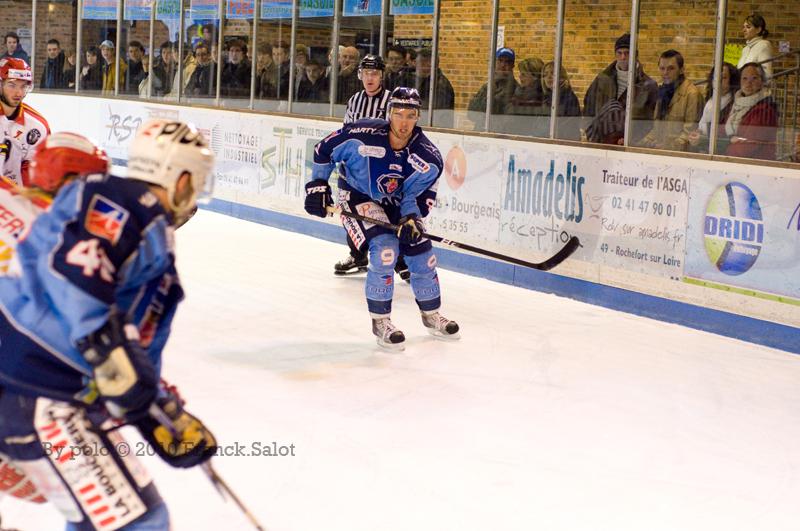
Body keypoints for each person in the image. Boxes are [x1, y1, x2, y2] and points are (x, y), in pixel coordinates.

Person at [0, 120, 217, 530]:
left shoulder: (151, 243)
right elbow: (75, 275)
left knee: (111, 520)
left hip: (61, 397)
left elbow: (132, 356)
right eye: (198, 180)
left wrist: (158, 413)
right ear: (181, 179)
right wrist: (108, 348)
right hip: (42, 394)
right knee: (139, 522)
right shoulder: (123, 203)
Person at [304, 87, 459, 349]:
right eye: (398, 114)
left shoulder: (428, 157)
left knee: (423, 255)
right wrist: (318, 186)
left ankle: (431, 314)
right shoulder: (361, 134)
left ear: (418, 117)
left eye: (410, 115)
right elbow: (323, 150)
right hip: (357, 195)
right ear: (389, 113)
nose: (404, 122)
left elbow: (414, 196)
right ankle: (381, 321)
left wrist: (411, 219)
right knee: (386, 250)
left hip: (397, 203)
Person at [335, 55, 410, 281]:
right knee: (352, 210)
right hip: (356, 168)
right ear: (360, 74)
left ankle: (399, 260)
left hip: (382, 167)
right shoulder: (354, 100)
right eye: (366, 73)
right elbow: (346, 132)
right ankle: (357, 255)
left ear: (382, 76)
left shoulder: (392, 101)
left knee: (389, 212)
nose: (370, 77)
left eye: (375, 73)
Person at [583, 33, 658, 144]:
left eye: (627, 53)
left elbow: (649, 121)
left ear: (635, 55)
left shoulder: (648, 86)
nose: (623, 57)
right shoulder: (601, 80)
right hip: (600, 142)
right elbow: (588, 108)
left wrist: (632, 140)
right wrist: (591, 134)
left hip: (630, 144)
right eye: (619, 53)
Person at [0, 57, 49, 187]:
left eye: (23, 86)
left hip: (14, 197)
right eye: (12, 85)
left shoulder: (37, 126)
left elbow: (34, 174)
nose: (19, 92)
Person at [639, 49, 702, 151]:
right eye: (662, 68)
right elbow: (656, 129)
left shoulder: (692, 94)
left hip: (680, 155)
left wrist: (668, 147)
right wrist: (638, 144)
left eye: (671, 68)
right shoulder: (663, 92)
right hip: (662, 151)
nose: (665, 73)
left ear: (681, 70)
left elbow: (690, 133)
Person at [724, 62, 778, 160]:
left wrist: (722, 148)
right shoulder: (735, 104)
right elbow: (721, 131)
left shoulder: (765, 110)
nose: (748, 83)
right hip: (736, 160)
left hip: (755, 163)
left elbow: (747, 147)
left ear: (762, 82)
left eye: (754, 78)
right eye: (744, 78)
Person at [688, 62, 739, 152]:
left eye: (723, 77)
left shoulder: (735, 104)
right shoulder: (710, 100)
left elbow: (728, 138)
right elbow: (702, 126)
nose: (718, 80)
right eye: (715, 77)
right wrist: (696, 133)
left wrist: (703, 140)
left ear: (732, 81)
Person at [468, 47, 519, 129]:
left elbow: (506, 120)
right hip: (480, 131)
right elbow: (471, 114)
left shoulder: (515, 89)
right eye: (500, 61)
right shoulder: (487, 86)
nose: (503, 65)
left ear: (512, 66)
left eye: (507, 62)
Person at [409, 48, 455, 128]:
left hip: (434, 127)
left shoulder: (440, 85)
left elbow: (430, 110)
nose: (420, 67)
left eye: (424, 63)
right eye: (420, 63)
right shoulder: (418, 79)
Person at [738, 13, 773, 79]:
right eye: (744, 27)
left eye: (748, 27)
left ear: (758, 30)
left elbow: (767, 73)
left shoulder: (764, 45)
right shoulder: (745, 49)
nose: (744, 30)